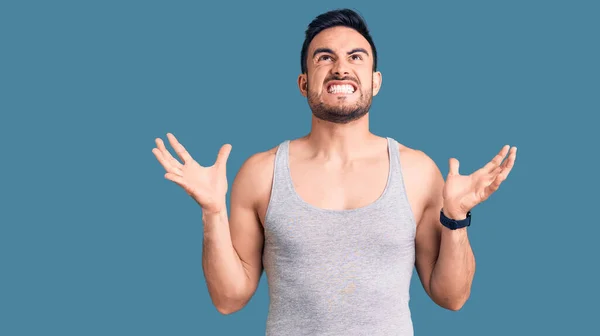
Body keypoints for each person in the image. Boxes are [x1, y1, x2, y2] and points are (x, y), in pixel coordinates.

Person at [151, 8, 517, 336]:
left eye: (355, 57)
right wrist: (212, 212)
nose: (341, 68)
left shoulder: (417, 170)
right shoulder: (260, 173)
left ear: (375, 81)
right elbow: (229, 300)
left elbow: (451, 297)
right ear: (304, 82)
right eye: (324, 58)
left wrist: (455, 217)